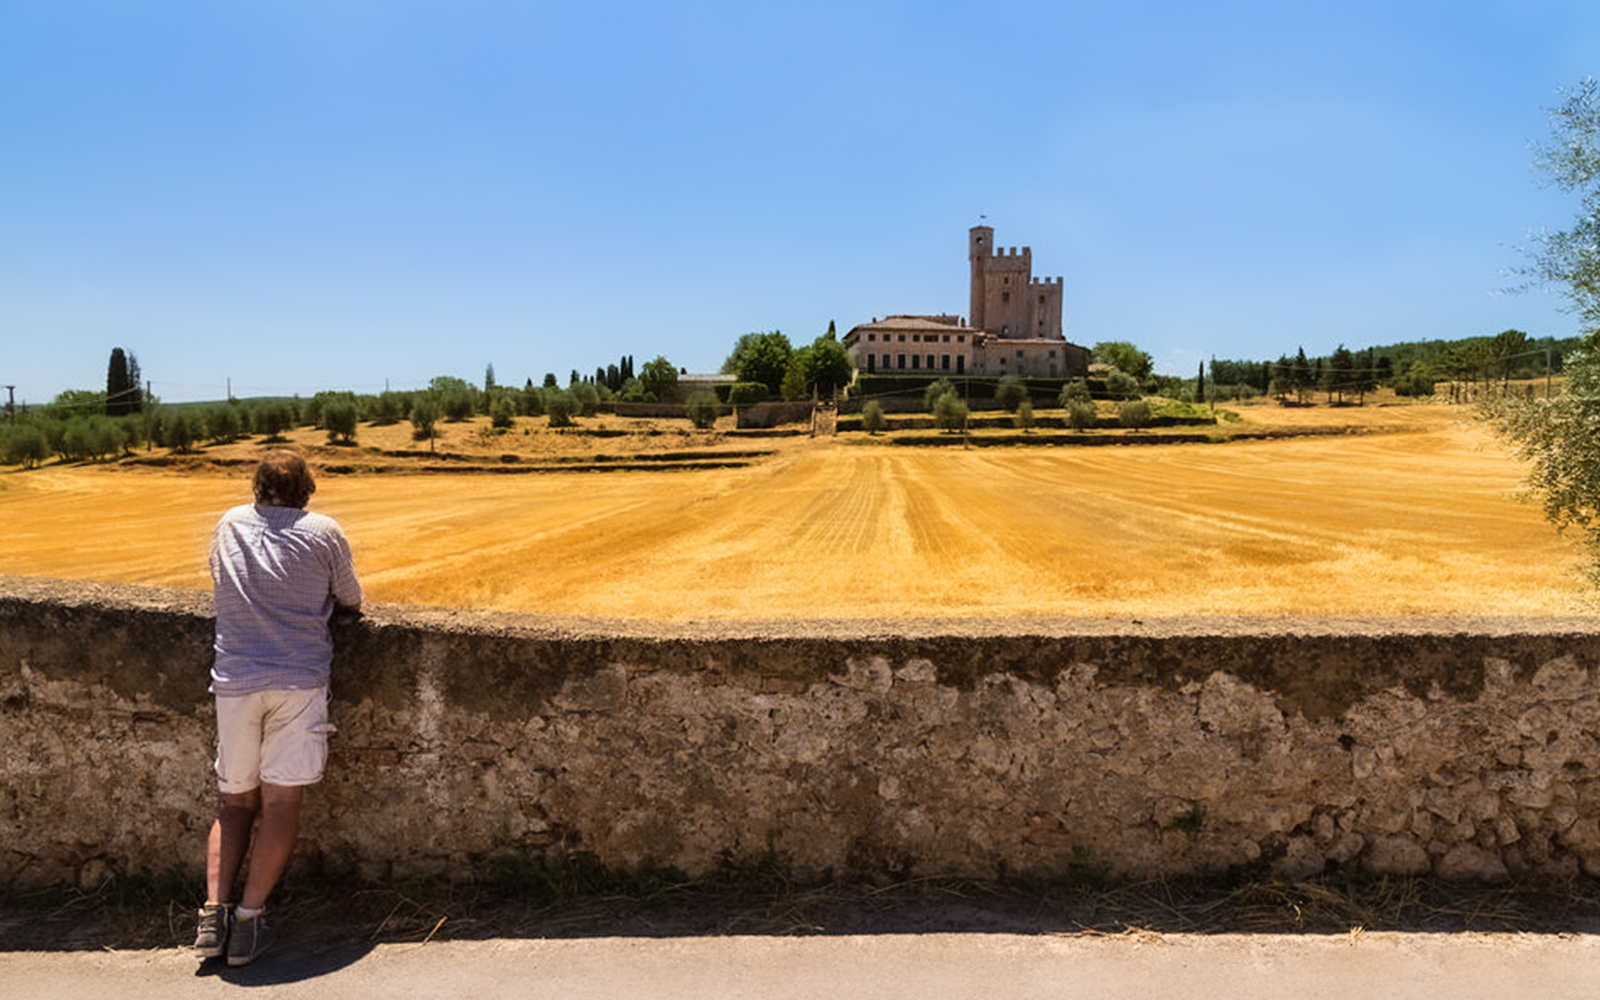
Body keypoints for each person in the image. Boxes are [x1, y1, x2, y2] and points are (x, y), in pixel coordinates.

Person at [195, 450, 362, 966]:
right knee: (281, 804)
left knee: (235, 803)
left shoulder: (229, 523)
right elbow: (351, 598)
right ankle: (247, 922)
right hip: (297, 680)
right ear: (307, 488)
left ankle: (212, 916)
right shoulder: (323, 532)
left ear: (257, 485)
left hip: (236, 681)